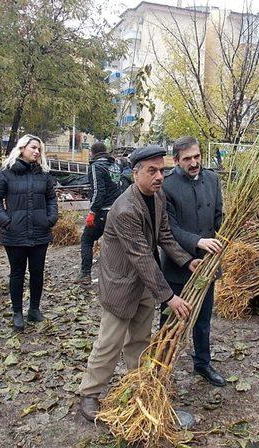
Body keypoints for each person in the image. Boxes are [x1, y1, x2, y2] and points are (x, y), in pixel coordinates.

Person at [78, 145, 200, 422]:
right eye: (151, 171)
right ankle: (89, 393)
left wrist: (186, 260)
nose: (159, 176)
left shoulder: (157, 197)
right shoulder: (124, 209)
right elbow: (141, 256)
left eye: (162, 170)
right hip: (121, 282)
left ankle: (136, 386)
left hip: (145, 282)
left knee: (141, 340)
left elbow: (165, 235)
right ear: (135, 174)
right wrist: (170, 297)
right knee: (109, 342)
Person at [160, 136, 226, 387]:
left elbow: (219, 217)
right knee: (170, 319)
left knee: (203, 318)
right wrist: (198, 242)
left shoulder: (212, 179)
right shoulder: (167, 186)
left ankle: (202, 363)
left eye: (197, 156)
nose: (194, 162)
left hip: (207, 266)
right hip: (178, 266)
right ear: (176, 160)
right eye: (187, 158)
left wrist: (227, 234)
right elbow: (168, 228)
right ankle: (161, 365)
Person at [0, 134, 58, 331]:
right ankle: (17, 312)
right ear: (22, 148)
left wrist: (50, 218)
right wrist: (5, 221)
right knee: (17, 273)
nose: (37, 152)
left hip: (39, 232)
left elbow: (51, 199)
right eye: (33, 148)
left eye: (39, 149)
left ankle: (34, 310)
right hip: (15, 233)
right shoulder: (6, 173)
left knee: (37, 272)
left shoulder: (43, 174)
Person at [76, 142, 121, 284]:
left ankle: (85, 274)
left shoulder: (96, 167)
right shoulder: (115, 166)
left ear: (92, 152)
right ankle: (116, 276)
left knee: (87, 240)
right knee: (113, 244)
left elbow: (98, 190)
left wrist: (92, 212)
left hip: (103, 212)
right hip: (117, 211)